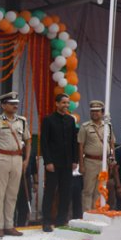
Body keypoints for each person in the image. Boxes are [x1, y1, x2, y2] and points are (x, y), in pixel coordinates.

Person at [0, 92, 31, 238]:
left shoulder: (22, 121)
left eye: (16, 103)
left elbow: (28, 140)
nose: (15, 106)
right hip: (0, 157)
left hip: (17, 158)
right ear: (3, 105)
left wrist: (26, 160)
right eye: (12, 103)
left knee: (12, 194)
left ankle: (9, 225)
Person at [40, 94, 78, 231]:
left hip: (68, 163)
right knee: (50, 192)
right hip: (53, 164)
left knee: (66, 192)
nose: (66, 105)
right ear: (57, 104)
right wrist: (48, 161)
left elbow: (74, 141)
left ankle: (61, 220)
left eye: (68, 103)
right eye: (63, 103)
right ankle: (46, 221)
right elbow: (44, 142)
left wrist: (75, 160)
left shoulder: (70, 120)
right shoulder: (48, 120)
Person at [78, 101, 115, 212]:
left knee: (100, 189)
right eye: (92, 111)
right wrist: (81, 165)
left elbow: (111, 143)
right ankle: (87, 213)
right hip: (90, 161)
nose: (95, 113)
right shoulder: (85, 127)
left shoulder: (108, 126)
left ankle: (96, 212)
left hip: (104, 162)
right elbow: (80, 146)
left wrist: (113, 159)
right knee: (88, 190)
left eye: (97, 111)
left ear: (102, 112)